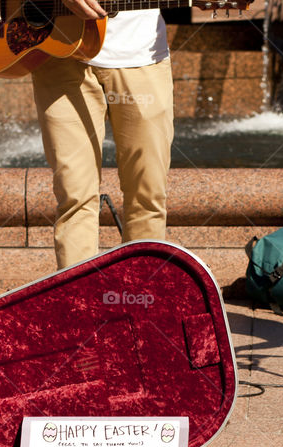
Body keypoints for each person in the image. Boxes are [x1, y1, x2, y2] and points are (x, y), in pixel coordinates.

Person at [31, 1, 174, 270]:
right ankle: (80, 304)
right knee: (75, 196)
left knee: (148, 194)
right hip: (59, 52)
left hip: (142, 56)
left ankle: (140, 299)